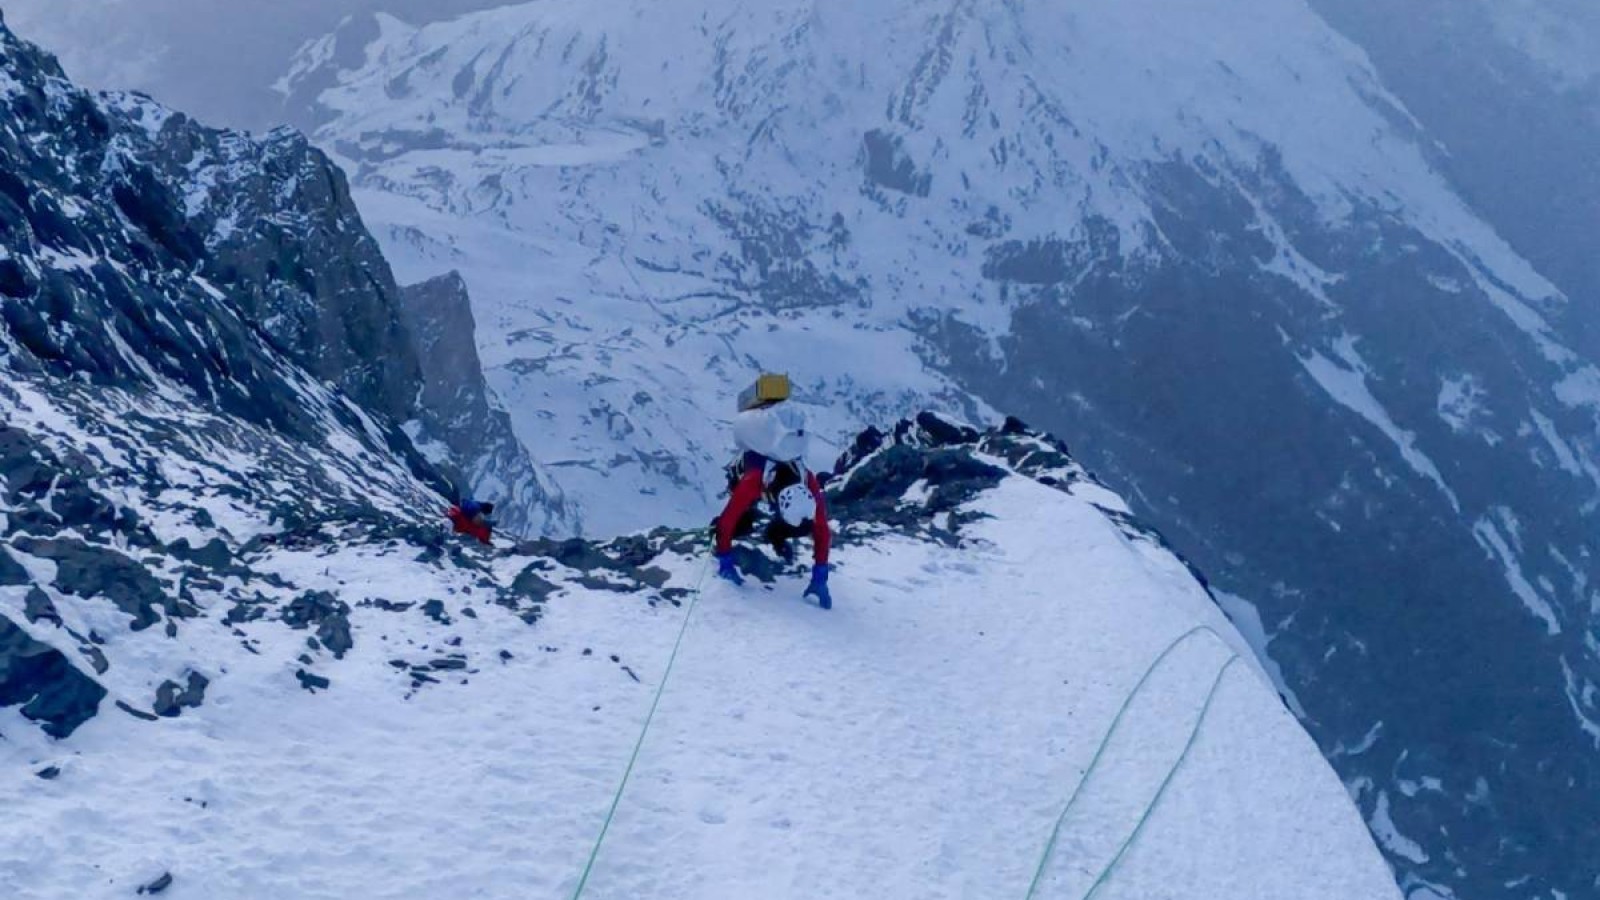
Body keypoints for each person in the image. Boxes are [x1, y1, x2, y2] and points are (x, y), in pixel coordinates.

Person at [713, 402, 833, 609]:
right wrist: (725, 557)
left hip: (772, 490)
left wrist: (820, 575)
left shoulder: (808, 481)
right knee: (740, 524)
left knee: (802, 525)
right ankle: (724, 541)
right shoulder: (753, 481)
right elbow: (727, 520)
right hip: (746, 480)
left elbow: (821, 528)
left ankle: (775, 536)